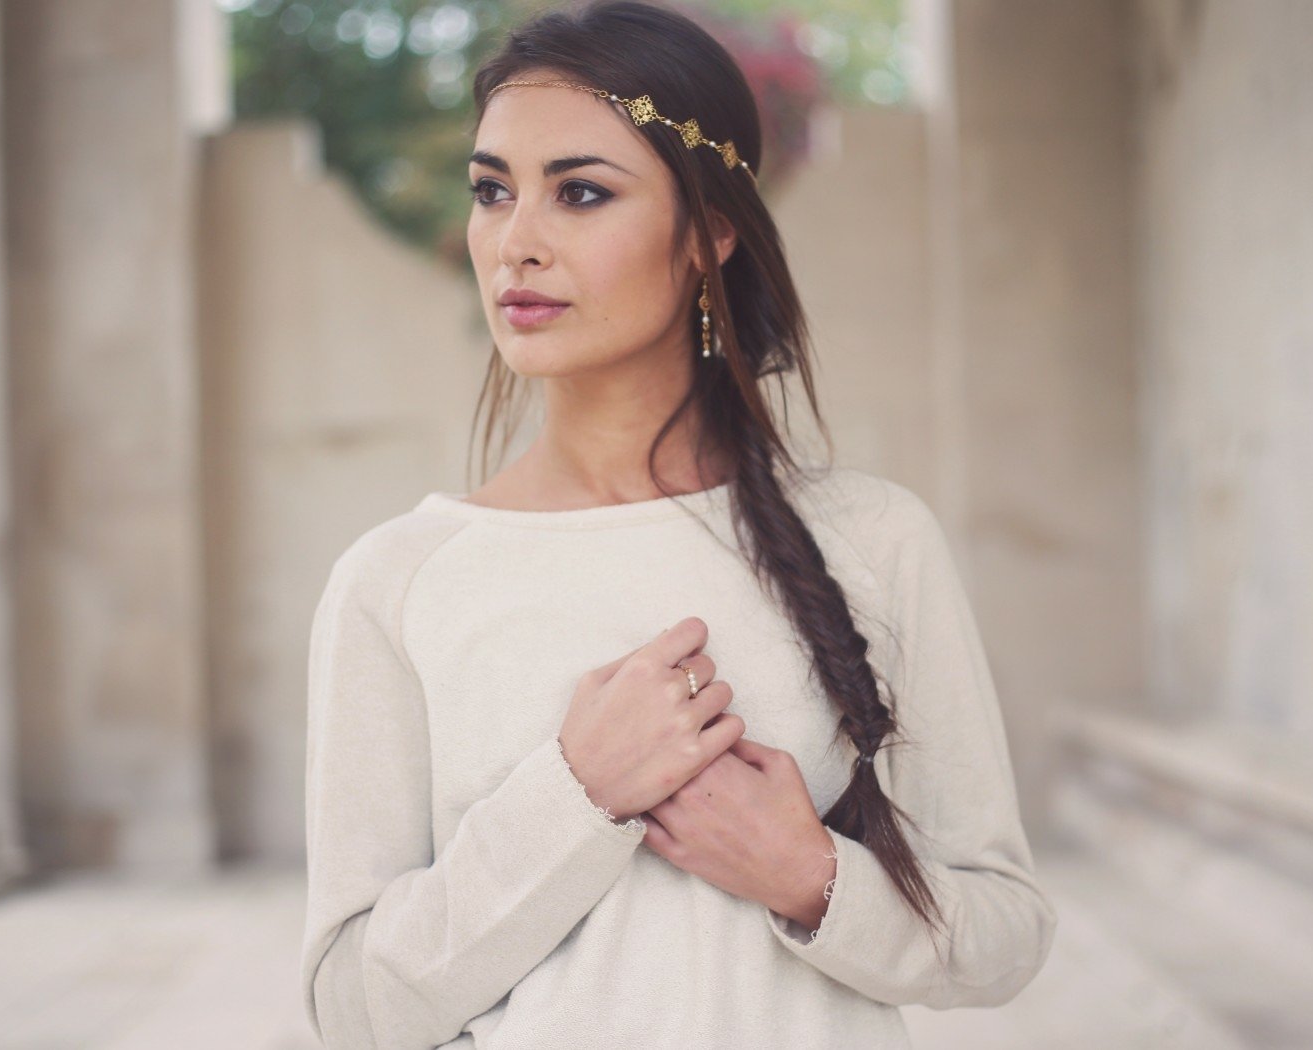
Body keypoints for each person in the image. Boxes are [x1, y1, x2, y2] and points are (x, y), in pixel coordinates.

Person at [300, 3, 1057, 1047]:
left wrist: (809, 877)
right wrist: (575, 799)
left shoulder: (874, 541)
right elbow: (349, 1008)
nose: (515, 242)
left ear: (708, 230)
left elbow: (1004, 935)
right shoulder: (400, 580)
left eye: (580, 192)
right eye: (490, 191)